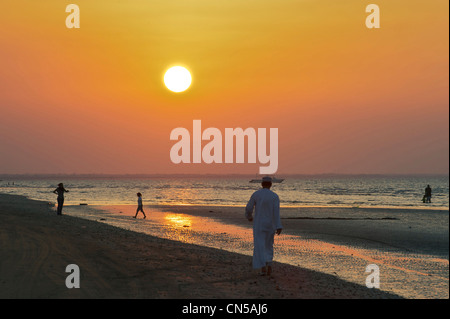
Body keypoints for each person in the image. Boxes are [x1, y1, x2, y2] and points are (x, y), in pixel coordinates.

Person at [245, 176, 282, 276]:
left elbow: (248, 208)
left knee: (260, 245)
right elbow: (276, 213)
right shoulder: (274, 196)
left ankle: (263, 268)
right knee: (269, 245)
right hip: (270, 225)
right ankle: (269, 264)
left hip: (259, 224)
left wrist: (249, 217)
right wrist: (278, 226)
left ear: (262, 184)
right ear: (271, 184)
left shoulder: (256, 194)